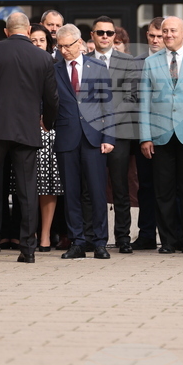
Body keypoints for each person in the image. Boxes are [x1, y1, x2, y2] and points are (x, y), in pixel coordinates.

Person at [0, 12, 59, 263]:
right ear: (28, 31)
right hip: (27, 130)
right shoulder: (43, 57)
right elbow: (52, 97)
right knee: (28, 191)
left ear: (6, 31)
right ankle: (28, 249)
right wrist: (47, 123)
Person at [140, 16, 183, 254]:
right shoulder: (150, 62)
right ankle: (167, 241)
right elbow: (144, 102)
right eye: (165, 31)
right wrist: (145, 137)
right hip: (161, 136)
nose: (168, 35)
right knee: (163, 192)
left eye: (173, 31)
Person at [54, 24, 115, 259]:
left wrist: (108, 137)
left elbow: (108, 105)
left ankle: (100, 243)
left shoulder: (97, 67)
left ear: (79, 43)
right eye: (59, 46)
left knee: (97, 192)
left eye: (67, 46)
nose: (64, 51)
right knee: (71, 193)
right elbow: (48, 100)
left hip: (94, 139)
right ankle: (77, 242)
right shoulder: (54, 69)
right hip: (66, 137)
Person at [90, 15, 138, 253]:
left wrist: (107, 121)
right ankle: (93, 236)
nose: (105, 37)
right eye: (100, 33)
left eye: (109, 33)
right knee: (92, 187)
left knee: (120, 187)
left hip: (119, 133)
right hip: (90, 134)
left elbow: (131, 97)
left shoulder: (128, 61)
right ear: (92, 35)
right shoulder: (84, 61)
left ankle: (123, 238)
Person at [27, 24, 64, 250]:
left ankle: (46, 235)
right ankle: (29, 233)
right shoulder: (21, 64)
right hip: (25, 128)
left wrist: (47, 118)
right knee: (28, 185)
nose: (38, 44)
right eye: (33, 40)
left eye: (42, 40)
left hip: (50, 130)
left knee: (49, 185)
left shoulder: (56, 65)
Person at [131, 17, 166, 250]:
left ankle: (172, 235)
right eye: (152, 35)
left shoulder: (176, 62)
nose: (155, 40)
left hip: (170, 134)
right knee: (145, 186)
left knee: (171, 187)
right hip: (143, 134)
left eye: (159, 36)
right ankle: (146, 234)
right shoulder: (136, 63)